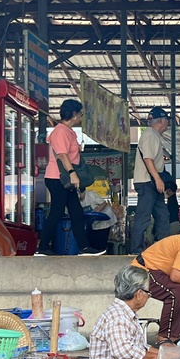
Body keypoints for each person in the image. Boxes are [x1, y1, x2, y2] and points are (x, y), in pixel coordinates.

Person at [37, 99, 103, 257]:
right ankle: (43, 247)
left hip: (65, 179)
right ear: (74, 114)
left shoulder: (68, 131)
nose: (81, 116)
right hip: (58, 178)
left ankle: (84, 247)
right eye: (80, 113)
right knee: (57, 212)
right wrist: (73, 173)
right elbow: (62, 155)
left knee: (76, 212)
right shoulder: (60, 131)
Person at [85, 265, 158, 359]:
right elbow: (124, 352)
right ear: (138, 294)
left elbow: (138, 346)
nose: (148, 297)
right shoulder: (118, 317)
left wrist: (166, 353)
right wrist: (160, 357)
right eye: (148, 293)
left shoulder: (126, 314)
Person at [129, 107, 172, 254]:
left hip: (152, 181)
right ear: (161, 120)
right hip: (148, 182)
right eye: (167, 120)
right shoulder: (149, 135)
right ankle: (136, 250)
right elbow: (148, 159)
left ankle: (161, 248)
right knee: (144, 216)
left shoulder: (153, 135)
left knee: (163, 215)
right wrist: (158, 179)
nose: (168, 123)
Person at [79, 185, 117, 253]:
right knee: (92, 240)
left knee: (101, 239)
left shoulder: (91, 194)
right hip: (92, 222)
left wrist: (96, 212)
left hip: (104, 218)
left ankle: (103, 252)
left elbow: (103, 203)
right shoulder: (77, 201)